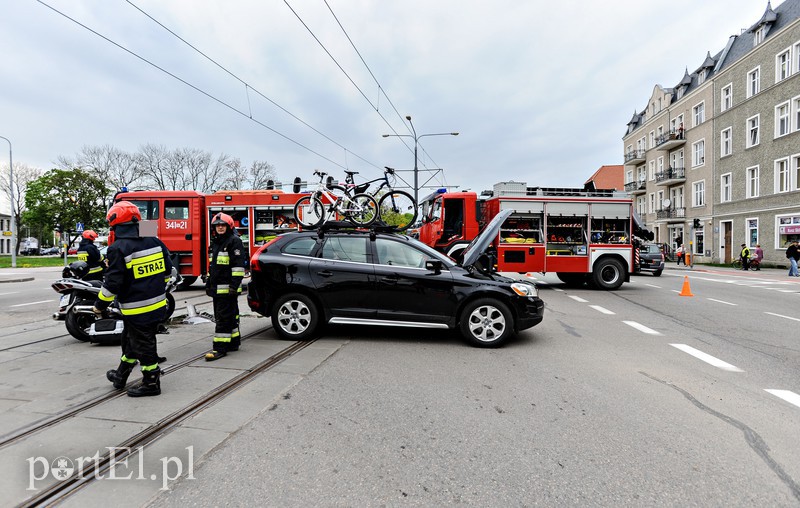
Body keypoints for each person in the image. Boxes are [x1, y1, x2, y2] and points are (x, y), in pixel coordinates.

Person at [94, 201, 173, 397]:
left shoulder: (117, 248)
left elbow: (113, 283)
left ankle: (151, 382)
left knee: (142, 344)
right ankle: (120, 375)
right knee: (130, 341)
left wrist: (99, 304)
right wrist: (154, 286)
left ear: (116, 224)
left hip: (137, 308)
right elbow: (167, 269)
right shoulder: (154, 240)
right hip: (157, 304)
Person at [204, 212, 246, 361]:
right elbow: (213, 266)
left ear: (229, 226)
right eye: (217, 225)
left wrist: (233, 286)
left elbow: (238, 266)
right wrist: (209, 282)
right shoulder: (216, 242)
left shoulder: (234, 241)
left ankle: (220, 348)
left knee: (222, 318)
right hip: (218, 288)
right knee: (231, 315)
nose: (220, 227)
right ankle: (234, 342)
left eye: (223, 225)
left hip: (228, 288)